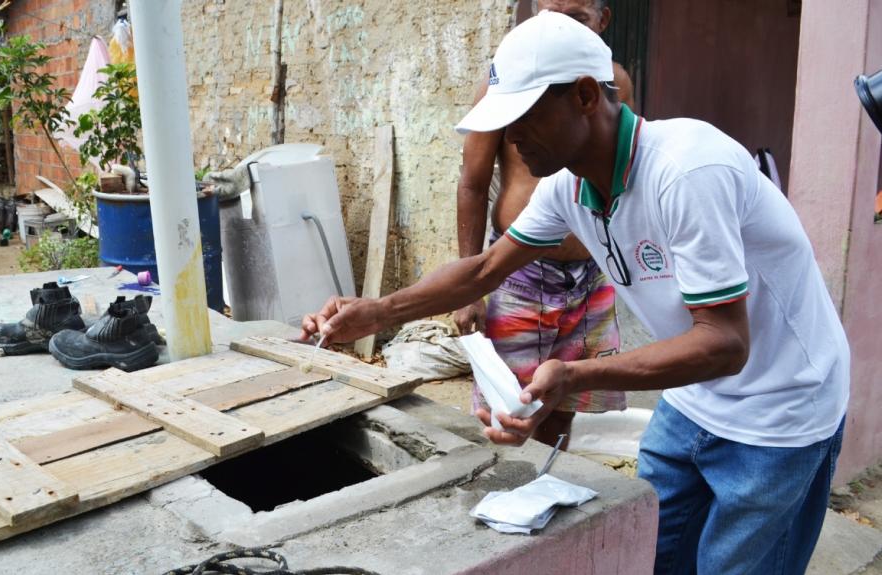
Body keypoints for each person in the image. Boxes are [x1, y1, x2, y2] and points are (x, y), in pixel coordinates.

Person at [303, 12, 849, 574]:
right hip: (694, 399)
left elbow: (726, 343)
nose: (511, 138)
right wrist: (374, 312)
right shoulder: (569, 188)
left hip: (781, 410)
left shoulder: (685, 171)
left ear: (586, 96)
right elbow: (485, 268)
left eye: (524, 117)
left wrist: (573, 375)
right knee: (649, 554)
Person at [455, 0, 633, 450]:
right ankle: (507, 497)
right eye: (547, 13)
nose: (557, 26)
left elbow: (618, 175)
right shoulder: (506, 85)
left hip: (592, 273)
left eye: (575, 17)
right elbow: (473, 187)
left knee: (564, 402)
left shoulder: (614, 84)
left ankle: (548, 492)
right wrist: (470, 291)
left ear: (602, 20)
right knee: (508, 409)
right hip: (521, 273)